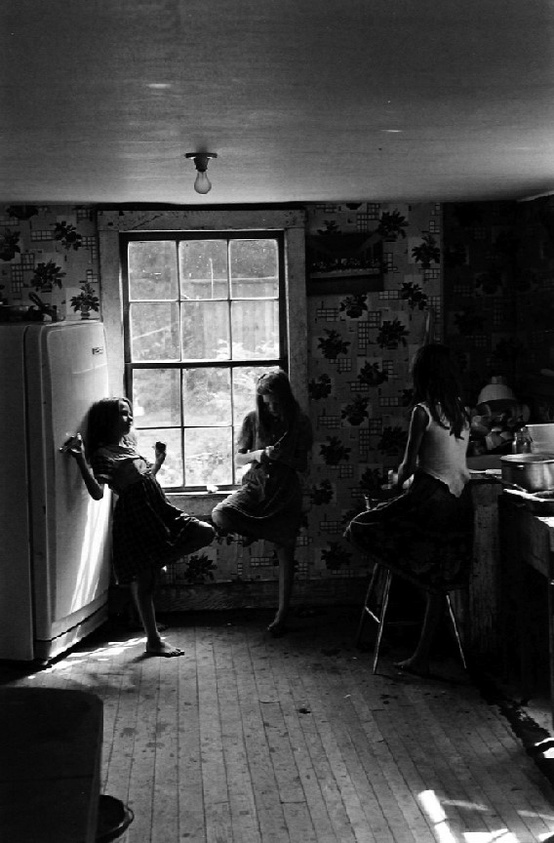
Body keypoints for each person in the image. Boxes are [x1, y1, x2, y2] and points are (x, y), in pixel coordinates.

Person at [345, 343, 473, 676]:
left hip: (430, 497)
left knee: (360, 527)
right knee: (436, 582)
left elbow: (407, 467)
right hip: (459, 500)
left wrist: (394, 480)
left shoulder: (422, 411)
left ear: (423, 375)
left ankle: (411, 638)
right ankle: (421, 654)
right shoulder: (461, 410)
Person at [66, 397, 215, 658]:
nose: (129, 418)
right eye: (123, 414)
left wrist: (158, 461)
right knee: (146, 580)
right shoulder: (103, 455)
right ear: (107, 421)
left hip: (160, 511)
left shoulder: (127, 447)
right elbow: (98, 493)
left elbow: (143, 480)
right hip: (136, 518)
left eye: (130, 413)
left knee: (205, 532)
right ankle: (153, 640)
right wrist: (79, 458)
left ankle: (147, 591)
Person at [212, 369, 313, 637]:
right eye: (266, 403)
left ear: (285, 398)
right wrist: (261, 454)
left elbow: (303, 465)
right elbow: (238, 458)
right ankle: (259, 532)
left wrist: (282, 458)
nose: (271, 408)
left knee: (286, 554)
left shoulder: (300, 422)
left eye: (276, 402)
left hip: (286, 491)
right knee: (221, 514)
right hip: (256, 486)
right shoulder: (252, 420)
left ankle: (282, 614)